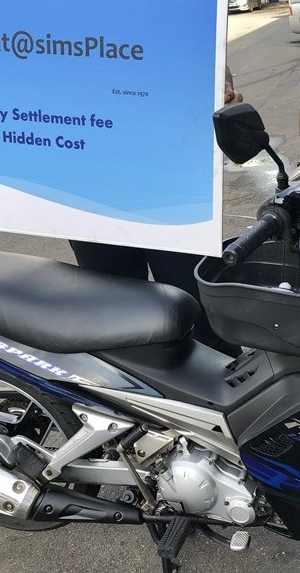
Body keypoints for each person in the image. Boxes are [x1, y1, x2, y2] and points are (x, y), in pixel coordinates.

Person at [70, 67, 243, 357]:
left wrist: (221, 85)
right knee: (118, 320)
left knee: (202, 313)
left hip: (170, 182)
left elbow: (206, 52)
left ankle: (225, 378)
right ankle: (136, 384)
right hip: (86, 186)